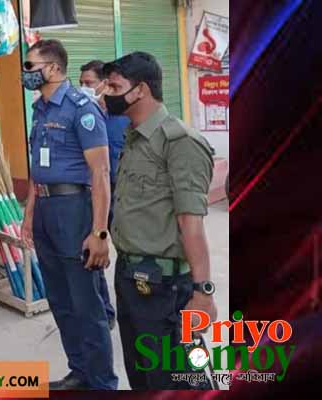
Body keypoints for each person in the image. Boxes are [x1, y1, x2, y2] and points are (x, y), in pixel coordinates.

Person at [103, 51, 216, 390]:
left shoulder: (180, 142)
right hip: (129, 277)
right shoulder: (134, 137)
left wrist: (203, 292)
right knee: (142, 376)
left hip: (165, 287)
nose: (106, 93)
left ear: (140, 90)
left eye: (114, 87)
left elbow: (191, 225)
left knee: (177, 380)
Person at [19, 39, 118, 390]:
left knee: (85, 304)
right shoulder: (40, 109)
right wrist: (29, 215)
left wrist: (100, 232)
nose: (25, 73)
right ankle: (80, 372)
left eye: (30, 66)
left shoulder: (81, 108)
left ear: (53, 68)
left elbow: (100, 172)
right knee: (60, 301)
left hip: (74, 209)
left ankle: (102, 382)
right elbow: (38, 169)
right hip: (45, 211)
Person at [79, 59, 133, 330]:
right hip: (95, 196)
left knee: (129, 255)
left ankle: (133, 311)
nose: (84, 88)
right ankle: (104, 312)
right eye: (81, 83)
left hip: (123, 199)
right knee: (94, 252)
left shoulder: (125, 118)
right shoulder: (83, 116)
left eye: (88, 83)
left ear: (104, 84)